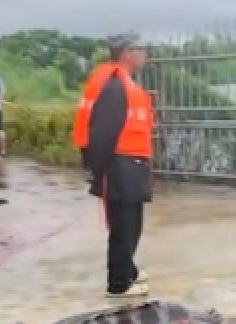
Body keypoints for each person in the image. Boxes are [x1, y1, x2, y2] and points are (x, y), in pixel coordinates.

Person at [75, 32, 154, 299]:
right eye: (141, 49)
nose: (146, 55)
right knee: (124, 225)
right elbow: (103, 132)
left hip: (130, 165)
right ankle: (119, 283)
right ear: (127, 53)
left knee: (132, 223)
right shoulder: (115, 87)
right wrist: (100, 172)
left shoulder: (122, 83)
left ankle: (127, 270)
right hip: (120, 166)